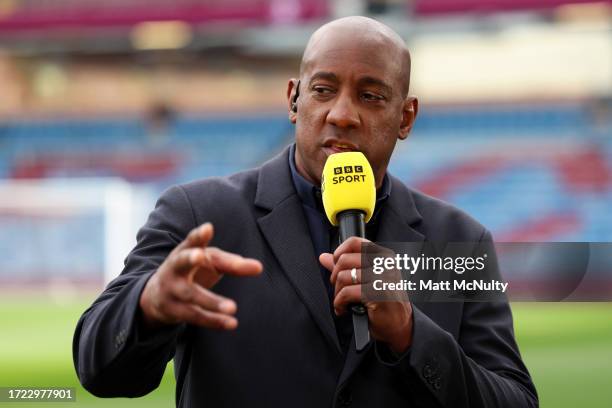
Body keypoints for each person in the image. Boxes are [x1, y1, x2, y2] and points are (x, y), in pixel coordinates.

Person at [73, 16, 538, 407]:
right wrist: (150, 305)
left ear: (406, 117)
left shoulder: (459, 239)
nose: (341, 114)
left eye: (371, 95)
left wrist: (412, 334)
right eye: (323, 89)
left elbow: (515, 399)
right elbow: (98, 370)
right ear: (294, 99)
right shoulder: (199, 215)